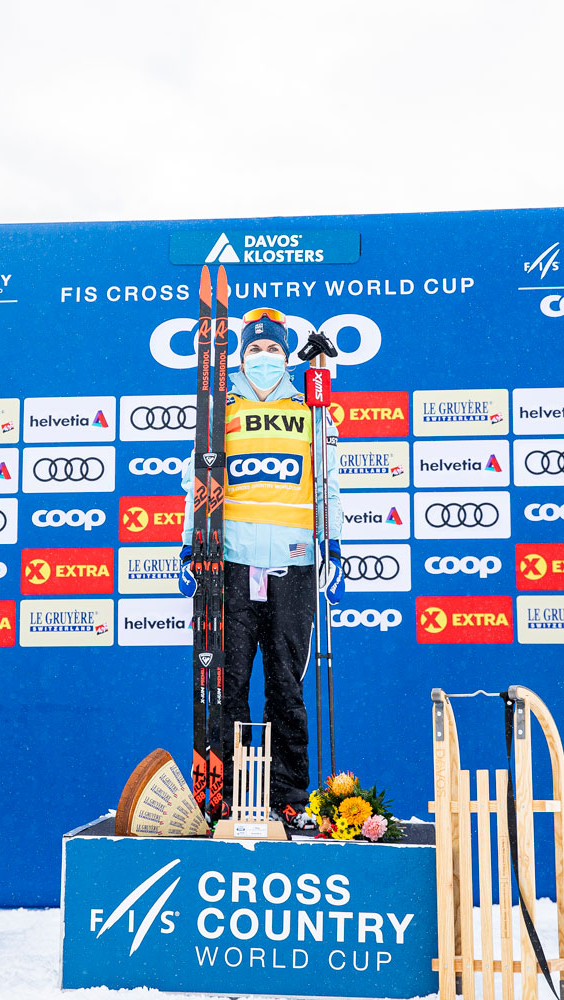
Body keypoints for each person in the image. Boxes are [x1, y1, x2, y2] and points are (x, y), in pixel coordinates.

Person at [178, 307, 344, 828]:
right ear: (240, 356)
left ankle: (289, 796)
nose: (265, 357)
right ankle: (225, 794)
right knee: (228, 685)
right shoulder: (219, 408)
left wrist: (334, 544)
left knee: (287, 686)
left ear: (287, 357)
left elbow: (327, 483)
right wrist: (190, 547)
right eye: (255, 349)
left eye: (274, 349)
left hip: (294, 565)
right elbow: (197, 483)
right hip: (231, 563)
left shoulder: (313, 410)